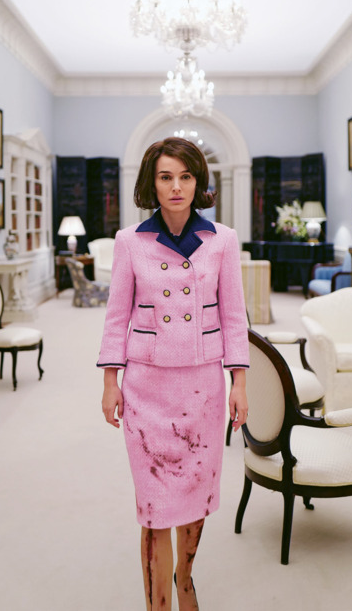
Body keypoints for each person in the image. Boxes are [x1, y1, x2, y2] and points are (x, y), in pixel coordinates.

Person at [98, 137, 248, 611]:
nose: (176, 186)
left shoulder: (222, 240)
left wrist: (239, 382)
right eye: (166, 177)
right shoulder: (130, 241)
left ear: (198, 182)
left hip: (202, 387)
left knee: (195, 494)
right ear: (153, 183)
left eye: (185, 176)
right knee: (154, 505)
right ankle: (158, 602)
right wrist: (110, 381)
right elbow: (116, 317)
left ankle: (186, 576)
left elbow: (235, 317)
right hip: (146, 386)